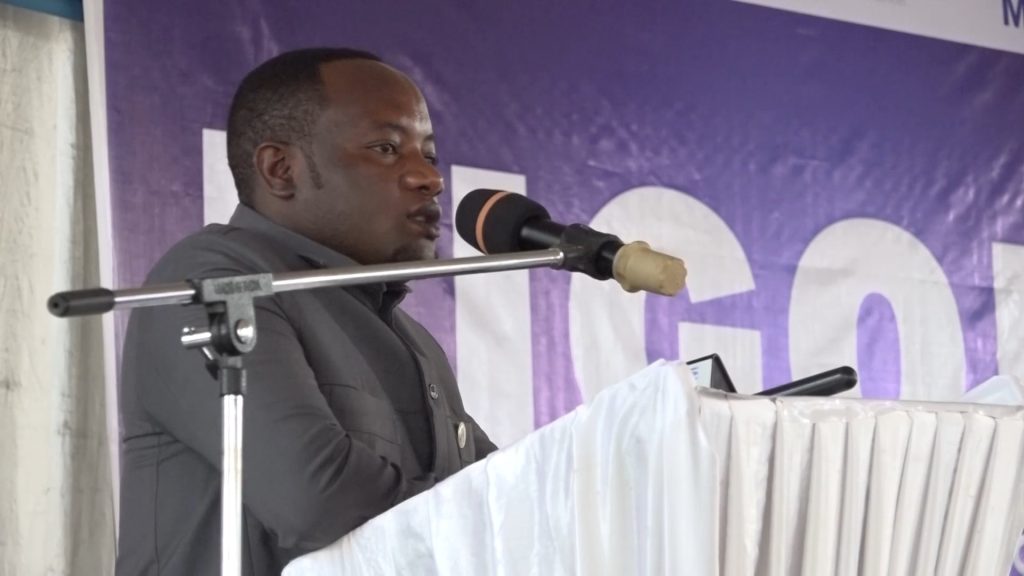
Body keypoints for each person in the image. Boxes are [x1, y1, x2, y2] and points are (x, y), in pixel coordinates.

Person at [116, 47, 497, 576]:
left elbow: (503, 492)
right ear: (281, 170)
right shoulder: (214, 279)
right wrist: (490, 527)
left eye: (428, 155)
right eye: (387, 149)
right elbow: (319, 502)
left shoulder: (415, 341)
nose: (430, 179)